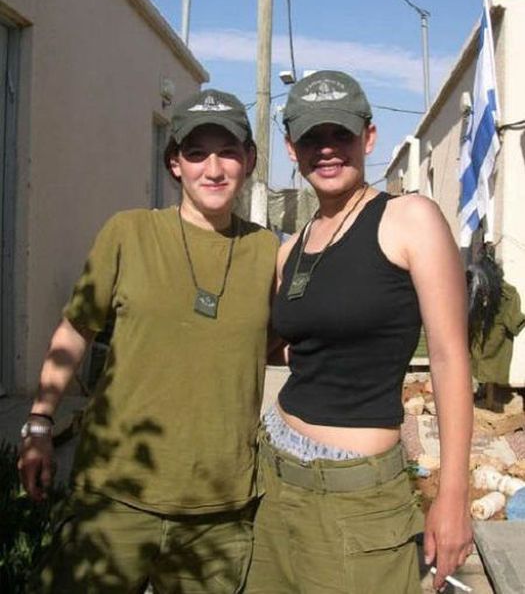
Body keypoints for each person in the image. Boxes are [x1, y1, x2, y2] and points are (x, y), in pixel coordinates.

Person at [18, 88, 278, 593]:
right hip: (114, 499)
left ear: (248, 160)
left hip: (218, 515)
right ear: (174, 164)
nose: (214, 168)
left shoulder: (267, 251)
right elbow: (75, 330)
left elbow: (285, 341)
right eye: (196, 153)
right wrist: (38, 423)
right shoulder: (128, 233)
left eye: (228, 152)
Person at [245, 71, 473, 594]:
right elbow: (275, 347)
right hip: (273, 478)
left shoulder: (409, 218)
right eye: (310, 138)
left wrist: (453, 495)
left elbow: (449, 356)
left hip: (357, 499)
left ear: (368, 138)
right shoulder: (291, 248)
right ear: (291, 148)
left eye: (340, 135)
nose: (326, 150)